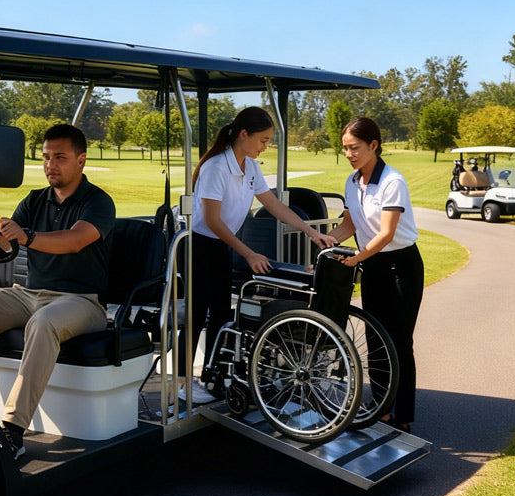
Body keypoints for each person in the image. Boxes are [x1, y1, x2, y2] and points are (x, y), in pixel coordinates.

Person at [0, 123, 116, 459]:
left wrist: (28, 237)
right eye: (45, 157)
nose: (50, 165)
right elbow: (8, 238)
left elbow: (75, 240)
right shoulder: (36, 199)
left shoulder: (98, 202)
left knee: (43, 322)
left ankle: (12, 428)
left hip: (81, 301)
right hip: (29, 293)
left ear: (81, 160)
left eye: (60, 158)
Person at [179, 106, 335, 401]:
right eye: (263, 140)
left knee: (222, 314)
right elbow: (212, 220)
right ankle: (183, 383)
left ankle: (212, 378)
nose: (266, 146)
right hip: (199, 246)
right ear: (243, 135)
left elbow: (275, 206)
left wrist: (311, 232)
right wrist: (249, 253)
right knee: (198, 315)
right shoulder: (215, 167)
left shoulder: (250, 167)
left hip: (221, 245)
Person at [326, 116, 423, 433]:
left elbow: (386, 233)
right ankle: (381, 409)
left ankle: (403, 417)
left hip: (401, 267)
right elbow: (350, 225)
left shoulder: (392, 181)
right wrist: (328, 240)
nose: (350, 154)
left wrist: (357, 256)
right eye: (345, 149)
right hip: (372, 265)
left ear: (373, 145)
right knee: (375, 338)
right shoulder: (351, 182)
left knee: (400, 341)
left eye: (354, 148)